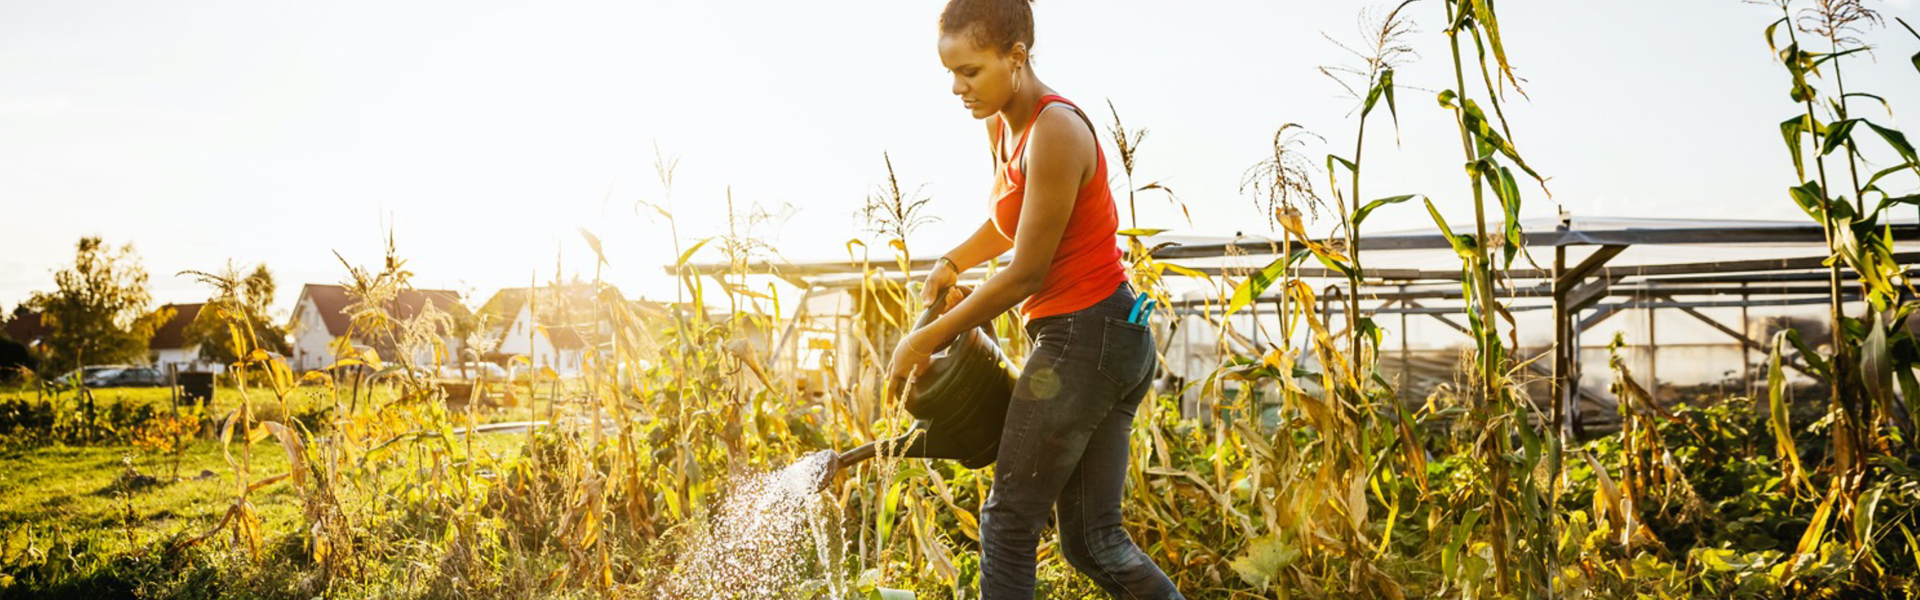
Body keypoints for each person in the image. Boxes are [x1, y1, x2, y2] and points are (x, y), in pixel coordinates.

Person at [885, 1, 1183, 597]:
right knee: (1094, 543)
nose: (955, 87)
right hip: (1106, 340)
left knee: (1007, 522)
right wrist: (951, 263)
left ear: (1016, 57)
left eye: (969, 71)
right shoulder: (1004, 124)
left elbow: (1025, 271)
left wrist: (925, 338)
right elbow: (1014, 224)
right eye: (950, 72)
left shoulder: (1056, 130)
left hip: (1086, 337)